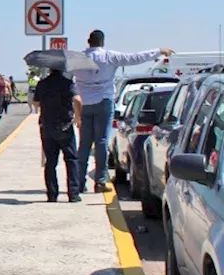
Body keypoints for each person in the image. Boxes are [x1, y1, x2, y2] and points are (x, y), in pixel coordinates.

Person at [72, 30, 174, 192]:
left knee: (84, 144)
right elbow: (135, 58)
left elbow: (67, 78)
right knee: (101, 141)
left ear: (88, 42)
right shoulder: (109, 56)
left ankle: (77, 183)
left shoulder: (77, 59)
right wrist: (158, 51)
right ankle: (100, 181)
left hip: (86, 103)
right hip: (104, 101)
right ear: (102, 42)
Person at [34, 69, 83, 203]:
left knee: (50, 162)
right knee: (71, 160)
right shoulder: (67, 83)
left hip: (47, 126)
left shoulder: (42, 84)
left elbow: (36, 103)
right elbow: (77, 99)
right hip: (64, 126)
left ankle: (52, 194)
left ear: (49, 69)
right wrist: (78, 118)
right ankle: (73, 194)